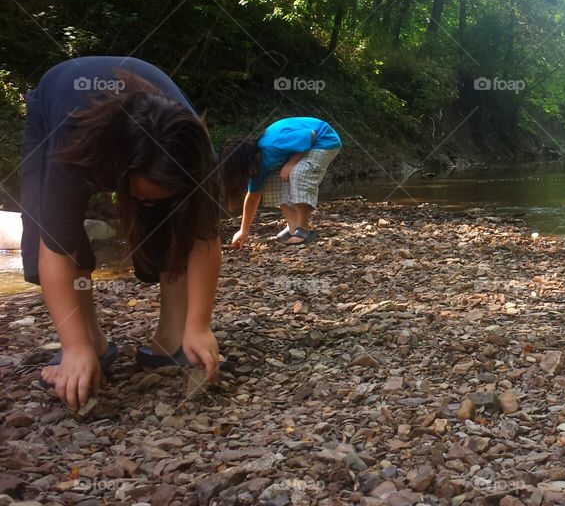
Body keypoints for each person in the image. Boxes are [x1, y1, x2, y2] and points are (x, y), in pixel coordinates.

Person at [19, 56, 223, 409]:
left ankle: (175, 338)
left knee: (177, 221)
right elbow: (55, 250)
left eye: (156, 198)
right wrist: (73, 347)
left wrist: (200, 324)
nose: (145, 204)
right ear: (118, 169)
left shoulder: (196, 153)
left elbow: (204, 240)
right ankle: (89, 343)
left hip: (160, 137)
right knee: (46, 221)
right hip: (62, 111)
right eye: (140, 195)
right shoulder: (74, 150)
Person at [219, 117, 341, 247]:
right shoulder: (257, 167)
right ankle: (293, 227)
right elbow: (253, 197)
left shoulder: (272, 144)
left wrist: (291, 163)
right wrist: (243, 230)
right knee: (271, 180)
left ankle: (304, 228)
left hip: (324, 140)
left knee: (298, 171)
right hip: (304, 144)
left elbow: (310, 135)